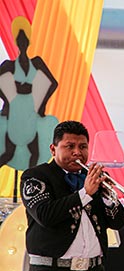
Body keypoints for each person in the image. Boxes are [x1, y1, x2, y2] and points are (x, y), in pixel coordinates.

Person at [20, 120, 124, 271]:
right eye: (69, 146)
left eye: (83, 147)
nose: (77, 152)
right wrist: (85, 194)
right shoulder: (35, 176)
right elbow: (45, 215)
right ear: (53, 149)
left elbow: (118, 222)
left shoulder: (93, 176)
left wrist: (107, 198)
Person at [0, 16, 58, 171]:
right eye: (20, 40)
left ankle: (32, 184)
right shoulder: (9, 65)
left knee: (35, 154)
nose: (23, 43)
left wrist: (41, 105)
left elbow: (53, 83)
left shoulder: (37, 62)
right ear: (17, 43)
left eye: (25, 40)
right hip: (15, 111)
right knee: (8, 152)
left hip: (30, 110)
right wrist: (8, 99)